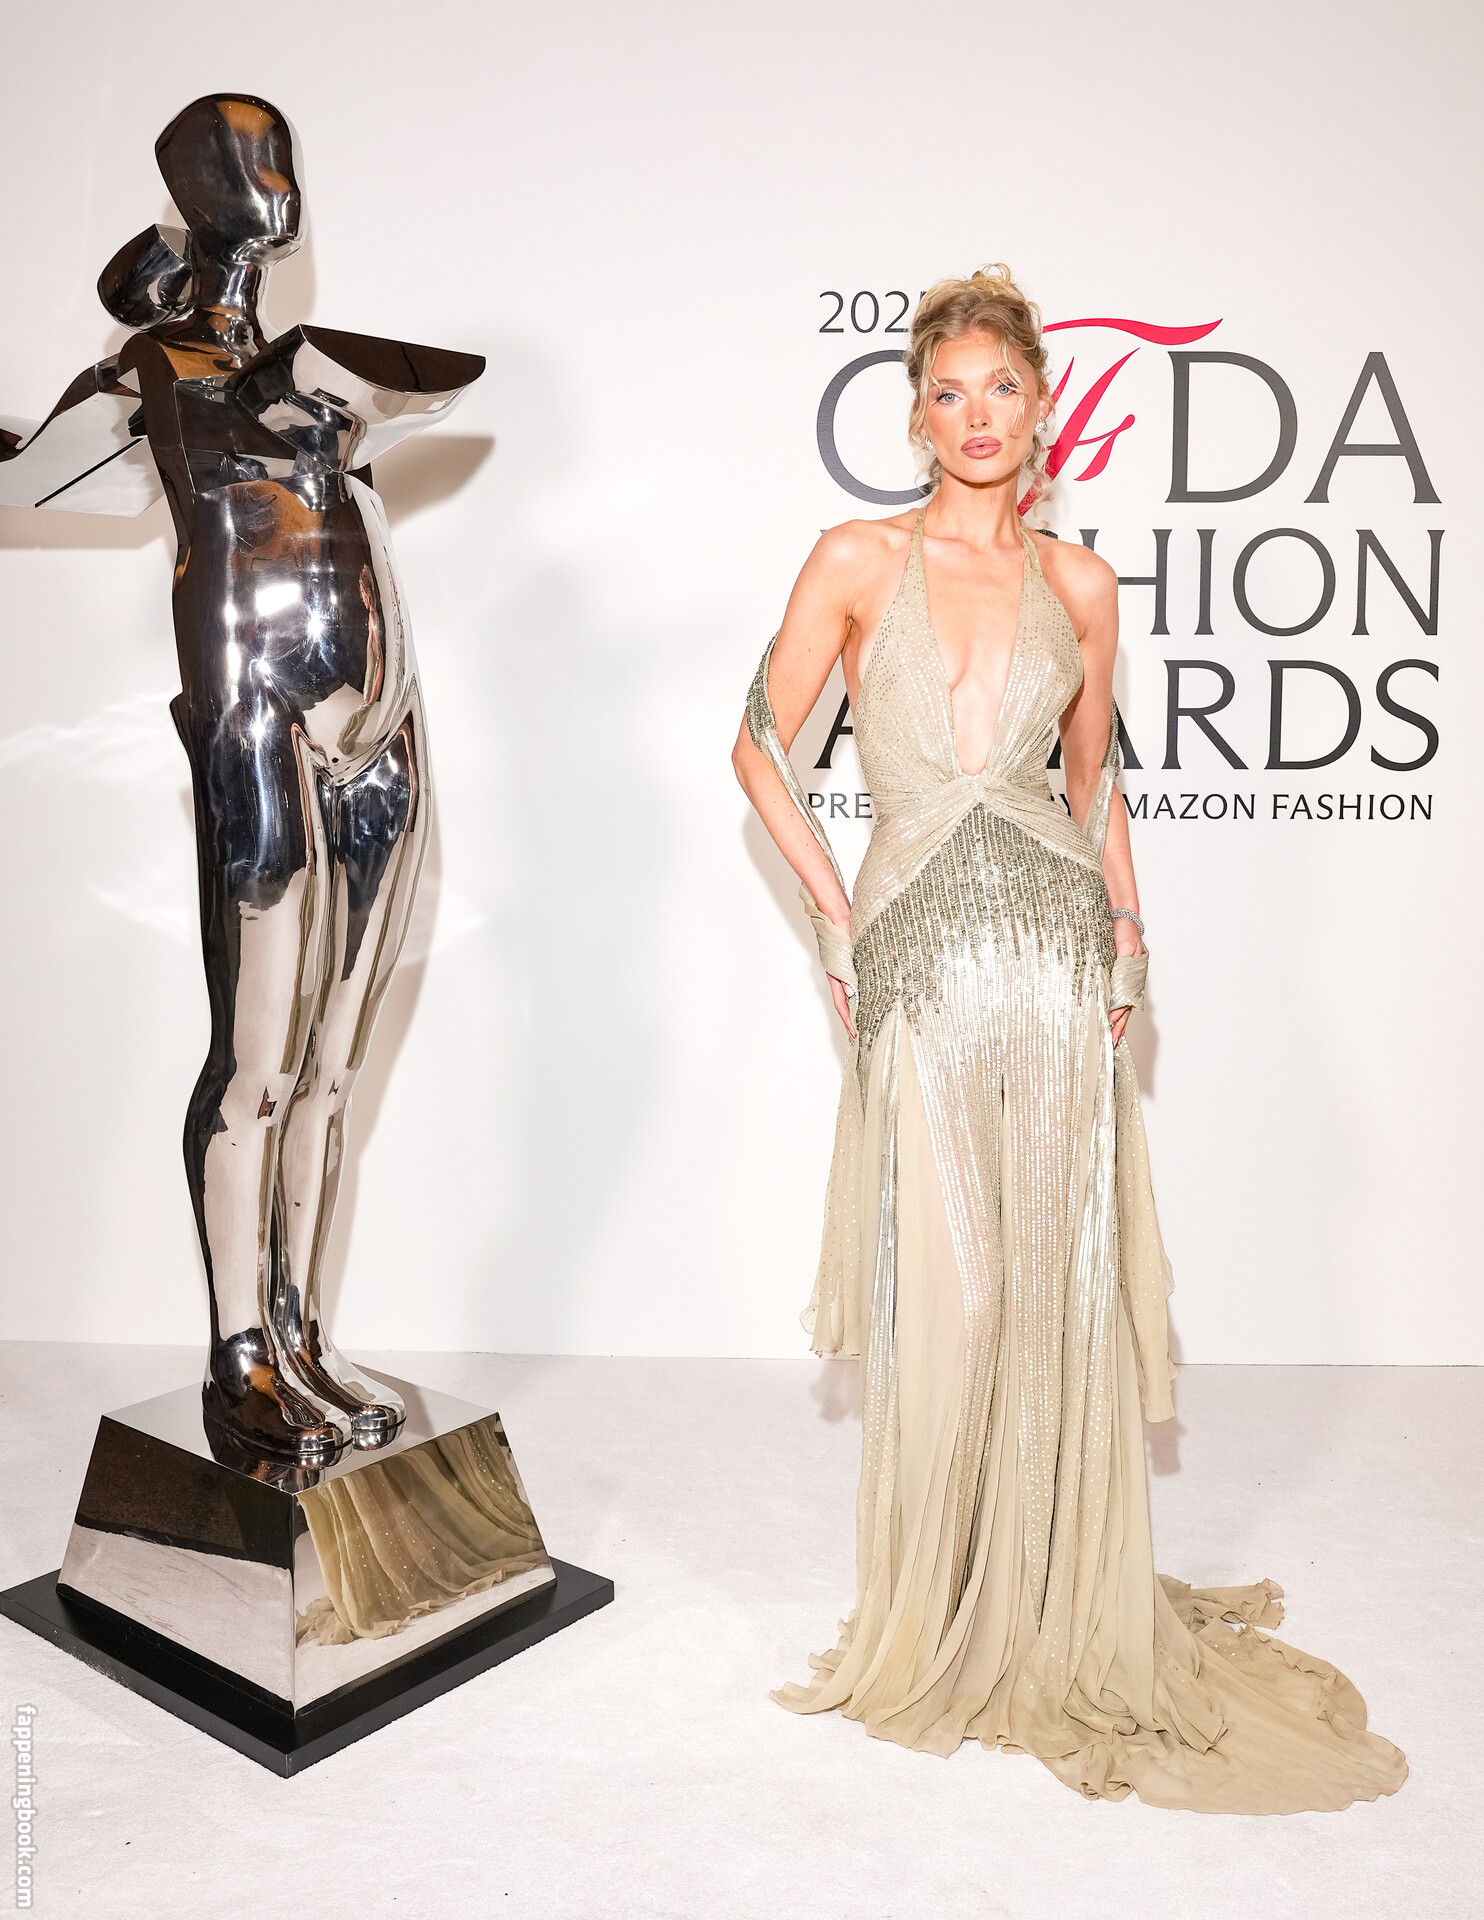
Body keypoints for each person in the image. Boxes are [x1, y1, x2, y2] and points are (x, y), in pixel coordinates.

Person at [732, 264, 1406, 1811]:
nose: (977, 416)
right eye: (949, 393)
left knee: (1050, 1278)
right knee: (950, 1284)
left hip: (1050, 945)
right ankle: (949, 1599)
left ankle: (1046, 1596)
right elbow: (759, 745)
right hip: (915, 938)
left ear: (1043, 410)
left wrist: (1128, 938)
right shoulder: (854, 557)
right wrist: (834, 919)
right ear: (917, 416)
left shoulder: (1084, 586)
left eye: (1003, 390)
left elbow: (1094, 786)